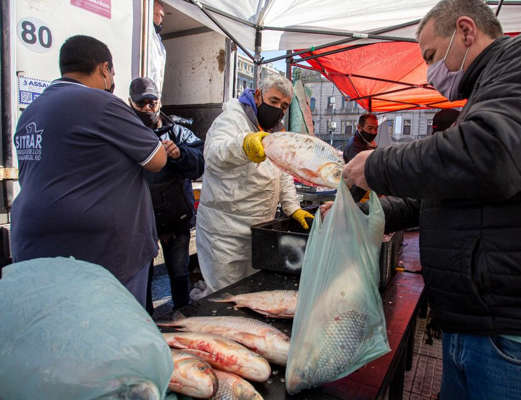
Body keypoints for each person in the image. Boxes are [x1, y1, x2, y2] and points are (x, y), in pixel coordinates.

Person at [343, 0, 521, 399]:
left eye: (431, 56)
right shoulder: (487, 95)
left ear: (466, 31)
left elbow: (492, 155)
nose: (431, 74)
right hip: (480, 326)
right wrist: (368, 209)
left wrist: (378, 165)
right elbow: (446, 192)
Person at [10, 35, 167, 306]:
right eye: (112, 72)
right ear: (104, 69)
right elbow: (157, 159)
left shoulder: (31, 111)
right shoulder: (102, 103)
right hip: (101, 254)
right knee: (113, 334)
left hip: (35, 246)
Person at [196, 75, 313, 293]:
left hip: (259, 230)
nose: (279, 109)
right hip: (224, 233)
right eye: (274, 101)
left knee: (249, 292)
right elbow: (214, 154)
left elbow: (283, 172)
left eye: (284, 106)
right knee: (224, 295)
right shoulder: (231, 119)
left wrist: (293, 207)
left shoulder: (276, 131)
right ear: (258, 95)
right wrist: (244, 145)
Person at [128, 77, 204, 313]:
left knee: (179, 272)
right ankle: (146, 320)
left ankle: (182, 315)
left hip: (176, 219)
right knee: (142, 278)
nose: (148, 109)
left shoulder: (179, 132)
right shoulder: (126, 133)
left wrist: (180, 154)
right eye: (142, 104)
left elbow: (200, 165)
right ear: (131, 103)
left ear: (160, 102)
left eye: (152, 102)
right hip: (141, 222)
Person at [149, 0, 167, 94]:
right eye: (156, 14)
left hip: (155, 97)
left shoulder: (159, 41)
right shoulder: (146, 35)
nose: (159, 19)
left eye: (161, 16)